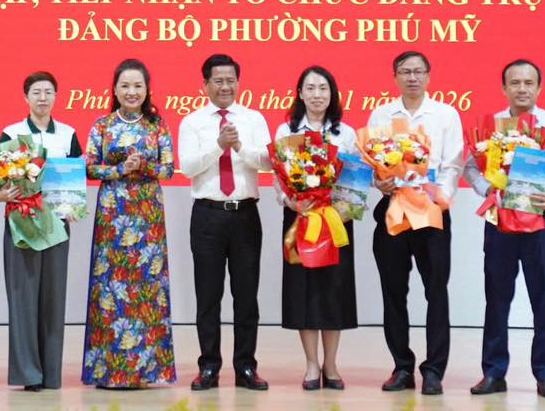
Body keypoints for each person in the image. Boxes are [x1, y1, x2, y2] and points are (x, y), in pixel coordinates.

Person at [463, 59, 545, 400]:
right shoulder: (492, 127)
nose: (522, 89)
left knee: (542, 298)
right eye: (514, 83)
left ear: (539, 87)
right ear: (504, 88)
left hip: (541, 220)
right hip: (500, 220)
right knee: (496, 299)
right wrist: (486, 188)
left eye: (529, 83)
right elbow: (471, 167)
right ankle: (493, 372)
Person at [366, 49, 465, 395]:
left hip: (431, 213)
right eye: (405, 72)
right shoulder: (381, 114)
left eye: (418, 71)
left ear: (428, 76)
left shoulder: (445, 114)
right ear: (395, 77)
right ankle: (402, 367)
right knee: (393, 292)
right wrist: (378, 182)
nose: (412, 77)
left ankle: (434, 370)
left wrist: (440, 196)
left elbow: (453, 164)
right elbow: (372, 164)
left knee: (436, 291)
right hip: (393, 210)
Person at [177, 53, 271, 391]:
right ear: (205, 84)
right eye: (218, 80)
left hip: (245, 214)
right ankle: (209, 367)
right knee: (208, 296)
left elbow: (268, 163)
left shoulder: (253, 119)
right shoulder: (192, 122)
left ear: (238, 82)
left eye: (231, 80)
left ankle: (246, 367)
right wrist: (219, 146)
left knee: (246, 296)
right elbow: (188, 167)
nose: (225, 86)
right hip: (208, 215)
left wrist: (239, 146)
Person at [81, 59, 177, 389]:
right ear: (115, 89)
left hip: (148, 214)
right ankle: (109, 371)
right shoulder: (103, 125)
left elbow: (169, 170)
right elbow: (89, 167)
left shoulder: (157, 126)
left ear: (147, 90)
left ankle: (147, 371)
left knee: (147, 289)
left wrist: (144, 166)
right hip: (113, 211)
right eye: (125, 85)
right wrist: (120, 169)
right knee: (111, 286)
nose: (131, 91)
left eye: (138, 85)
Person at [0, 70, 82, 391]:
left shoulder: (69, 134)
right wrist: (1, 193)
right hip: (21, 221)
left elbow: (76, 178)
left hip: (57, 223)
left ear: (56, 97)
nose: (42, 98)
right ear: (26, 98)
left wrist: (74, 206)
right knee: (23, 297)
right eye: (36, 92)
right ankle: (29, 375)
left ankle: (51, 374)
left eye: (48, 92)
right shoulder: (11, 133)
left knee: (53, 298)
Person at [273, 65, 358, 390]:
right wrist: (290, 201)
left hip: (335, 220)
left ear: (332, 94)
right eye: (310, 88)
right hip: (301, 218)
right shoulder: (286, 131)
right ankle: (311, 364)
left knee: (333, 290)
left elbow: (354, 179)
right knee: (303, 290)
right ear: (300, 93)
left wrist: (342, 209)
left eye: (323, 88)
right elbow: (279, 177)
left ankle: (331, 365)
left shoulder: (345, 134)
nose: (317, 94)